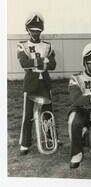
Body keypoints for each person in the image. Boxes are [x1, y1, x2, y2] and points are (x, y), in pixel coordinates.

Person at [17, 13, 58, 155]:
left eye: (38, 30)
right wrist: (42, 61)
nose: (35, 33)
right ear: (27, 30)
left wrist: (39, 62)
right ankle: (25, 143)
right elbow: (24, 63)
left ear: (41, 31)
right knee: (27, 114)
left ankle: (51, 138)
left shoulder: (47, 46)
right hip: (30, 83)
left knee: (48, 112)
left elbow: (53, 65)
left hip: (44, 83)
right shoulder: (23, 46)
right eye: (33, 30)